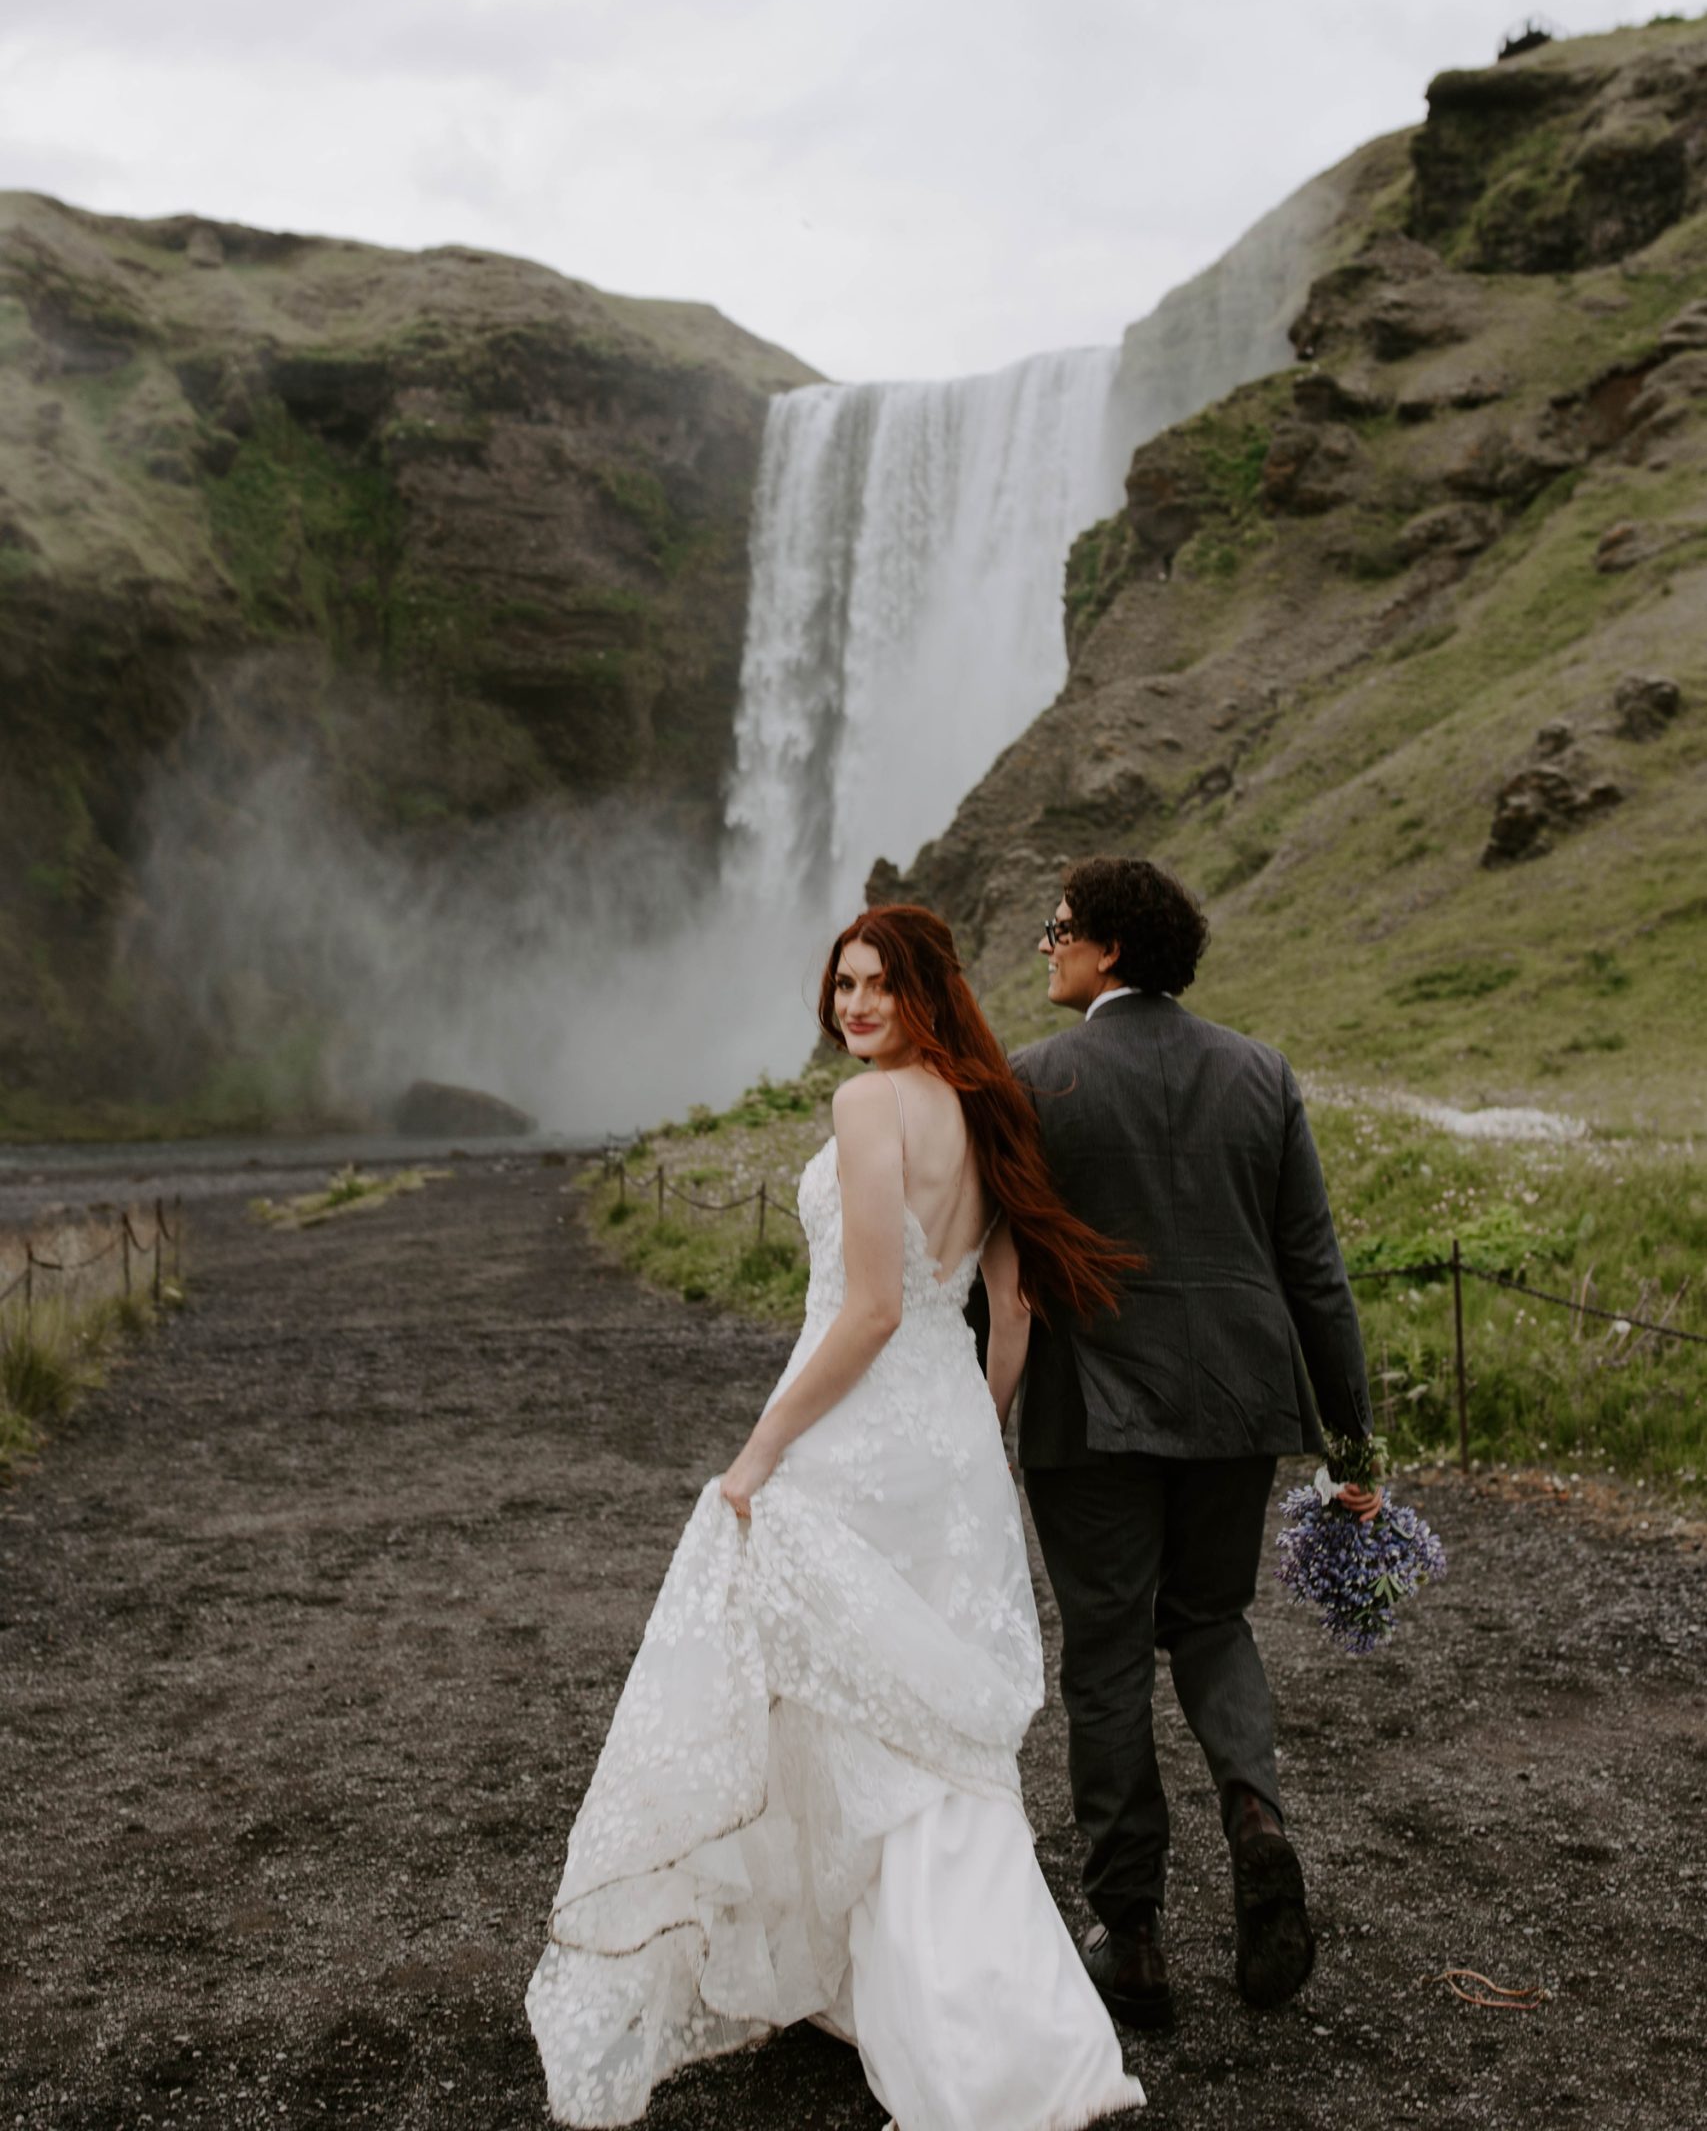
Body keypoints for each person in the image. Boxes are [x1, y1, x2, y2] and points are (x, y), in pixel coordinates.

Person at [527, 904, 1147, 2131]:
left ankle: (940, 2040)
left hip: (858, 1435)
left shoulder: (870, 1108)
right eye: (843, 984)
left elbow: (867, 1310)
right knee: (934, 1735)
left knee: (862, 1714)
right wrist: (968, 1427)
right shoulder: (991, 1108)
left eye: (878, 985)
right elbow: (1011, 1313)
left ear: (925, 991)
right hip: (951, 1443)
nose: (854, 1005)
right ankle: (995, 2026)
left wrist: (758, 1452)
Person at [1012, 856, 1378, 2033]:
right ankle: (1256, 1815)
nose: (1046, 945)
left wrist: (961, 1406)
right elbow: (1313, 1269)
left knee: (1110, 1655)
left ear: (1110, 948)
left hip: (1091, 1412)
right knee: (1210, 1621)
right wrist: (1350, 1435)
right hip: (1239, 1401)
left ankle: (1134, 1941)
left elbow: (997, 1277)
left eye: (1058, 927)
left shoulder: (1037, 1081)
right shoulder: (1259, 1071)